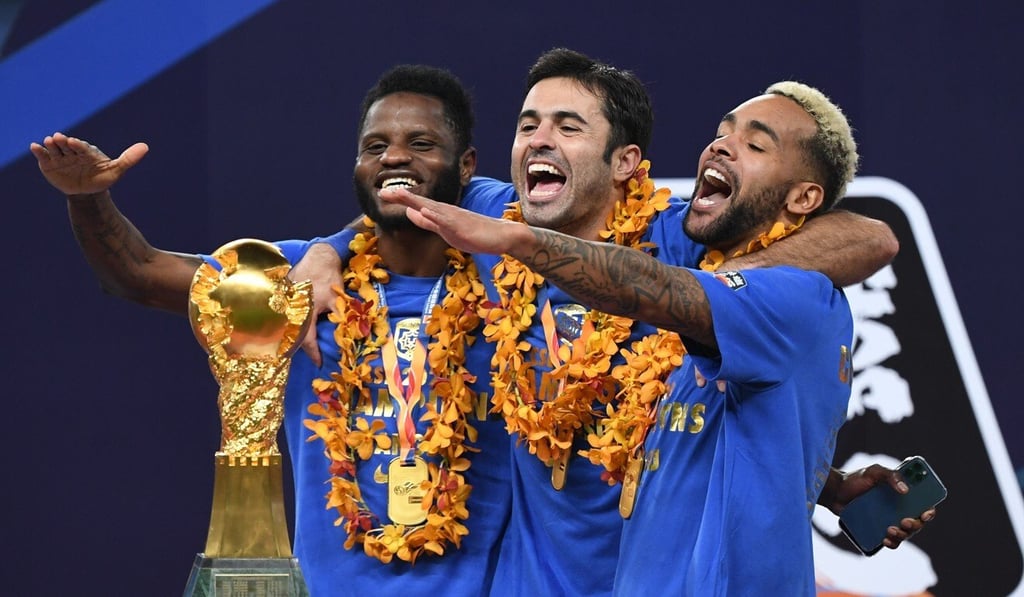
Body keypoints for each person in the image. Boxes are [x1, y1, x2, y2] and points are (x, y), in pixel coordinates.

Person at [303, 49, 930, 595]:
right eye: (527, 126)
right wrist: (326, 249)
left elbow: (868, 235)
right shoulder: (504, 216)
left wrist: (726, 283)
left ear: (625, 161)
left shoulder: (676, 247)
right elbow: (402, 192)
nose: (540, 139)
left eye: (568, 126)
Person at [31, 65, 512, 596]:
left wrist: (336, 242)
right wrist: (87, 198)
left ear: (466, 165)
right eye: (374, 146)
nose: (394, 157)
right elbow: (138, 275)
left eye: (420, 143)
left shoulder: (507, 285)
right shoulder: (292, 280)